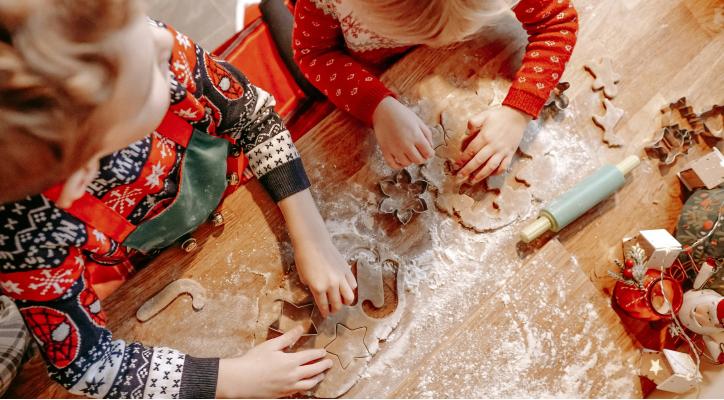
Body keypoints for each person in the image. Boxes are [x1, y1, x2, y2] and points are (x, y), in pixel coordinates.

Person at [0, 0, 357, 397]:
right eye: (150, 69)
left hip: (236, 188)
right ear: (82, 172)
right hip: (150, 258)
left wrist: (313, 239)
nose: (162, 40)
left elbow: (254, 119)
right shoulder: (26, 239)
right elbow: (87, 364)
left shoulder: (128, 40)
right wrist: (231, 380)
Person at [292, 0, 578, 184]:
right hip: (356, 61)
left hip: (410, 67)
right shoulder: (326, 3)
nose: (439, 44)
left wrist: (517, 112)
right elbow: (313, 54)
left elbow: (558, 23)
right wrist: (376, 106)